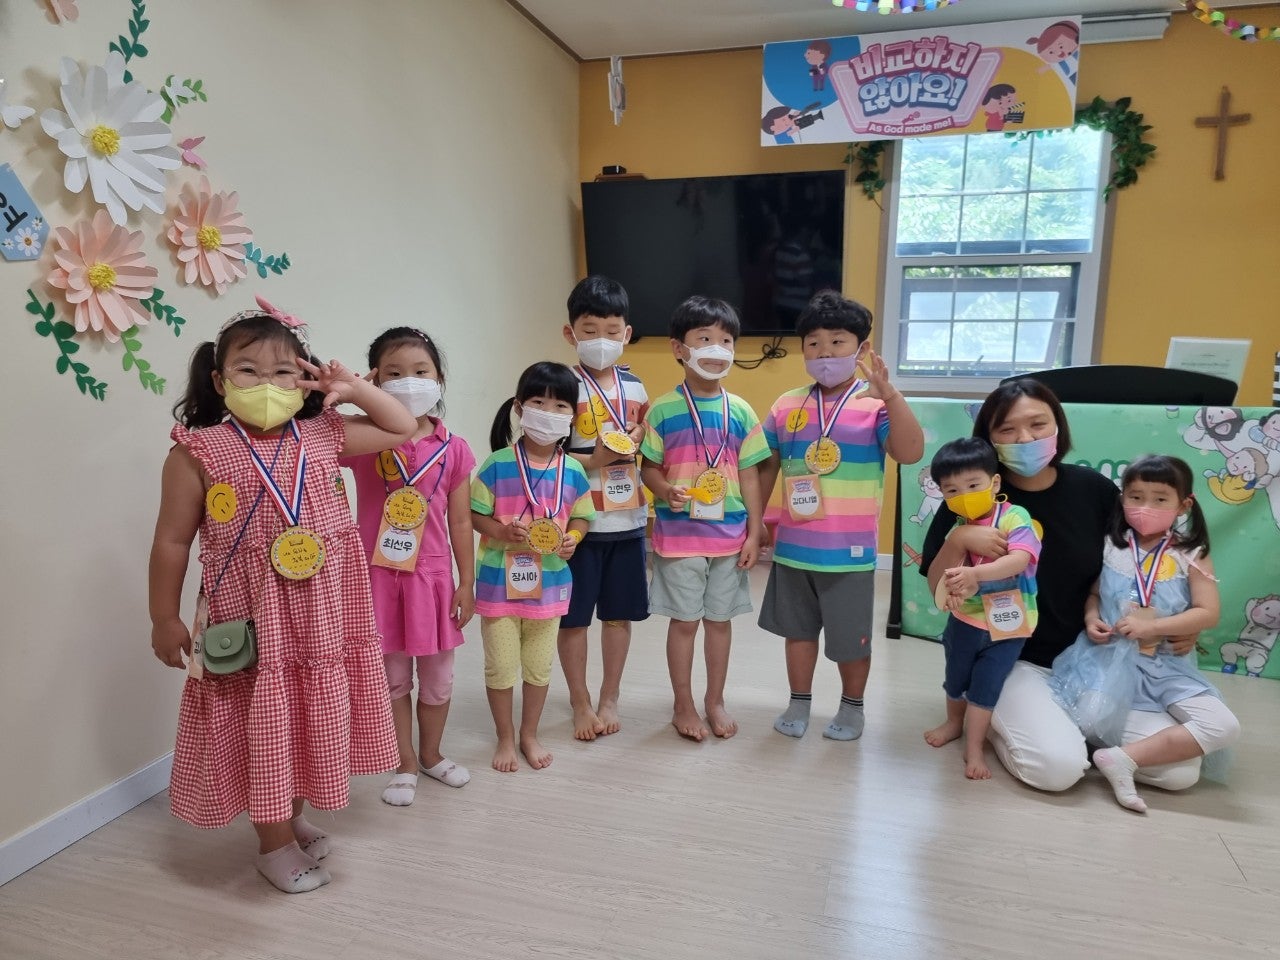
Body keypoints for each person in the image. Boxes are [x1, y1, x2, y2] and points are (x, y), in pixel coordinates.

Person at [148, 297, 417, 894]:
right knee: (265, 718)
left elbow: (401, 426)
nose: (266, 383)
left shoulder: (323, 434)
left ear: (306, 378)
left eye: (283, 371)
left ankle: (290, 819)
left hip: (322, 616)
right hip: (253, 618)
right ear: (219, 381)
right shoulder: (197, 451)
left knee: (300, 716)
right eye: (247, 370)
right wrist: (164, 616)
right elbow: (171, 542)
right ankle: (272, 845)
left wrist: (353, 387)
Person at [921, 378, 1119, 792]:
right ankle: (993, 719)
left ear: (1058, 426)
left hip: (1086, 653)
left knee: (1176, 772)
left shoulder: (1095, 490)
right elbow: (938, 589)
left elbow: (1128, 565)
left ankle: (1039, 723)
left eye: (1037, 424)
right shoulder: (967, 500)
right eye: (1007, 429)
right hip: (1011, 654)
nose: (1025, 439)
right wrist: (959, 539)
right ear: (989, 440)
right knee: (1058, 770)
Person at [757, 291, 923, 743]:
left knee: (851, 640)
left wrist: (892, 396)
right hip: (793, 547)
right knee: (797, 632)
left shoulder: (875, 404)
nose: (825, 353)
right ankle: (799, 702)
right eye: (813, 343)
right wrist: (757, 525)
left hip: (849, 553)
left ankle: (852, 707)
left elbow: (910, 452)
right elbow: (765, 464)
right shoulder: (786, 404)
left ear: (861, 348)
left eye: (837, 342)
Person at [1049, 455, 1241, 812]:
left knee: (1223, 725)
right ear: (1122, 498)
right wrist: (1091, 618)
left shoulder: (1191, 553)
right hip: (1106, 663)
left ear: (1184, 505)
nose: (1145, 507)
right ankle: (1123, 752)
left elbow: (1208, 612)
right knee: (1092, 719)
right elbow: (1094, 595)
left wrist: (1153, 627)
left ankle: (1120, 758)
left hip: (1168, 666)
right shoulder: (1112, 546)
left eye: (1160, 499)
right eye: (1135, 497)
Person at [341, 327, 476, 807]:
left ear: (439, 380)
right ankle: (404, 763)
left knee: (438, 680)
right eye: (393, 375)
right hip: (377, 579)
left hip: (434, 581)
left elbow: (461, 521)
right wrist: (356, 394)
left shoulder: (454, 448)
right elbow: (315, 432)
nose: (409, 382)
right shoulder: (365, 441)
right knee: (393, 679)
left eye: (420, 372)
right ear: (376, 380)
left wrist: (467, 582)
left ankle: (432, 755)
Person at [640, 296, 770, 741]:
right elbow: (648, 468)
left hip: (729, 538)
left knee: (719, 622)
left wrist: (754, 531)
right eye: (704, 338)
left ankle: (715, 700)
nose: (717, 349)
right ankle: (683, 704)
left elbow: (750, 475)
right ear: (679, 349)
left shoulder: (742, 411)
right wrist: (664, 490)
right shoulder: (662, 410)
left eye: (726, 340)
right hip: (680, 538)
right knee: (684, 622)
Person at [472, 362, 594, 772]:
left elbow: (583, 517)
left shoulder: (573, 470)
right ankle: (505, 737)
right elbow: (474, 514)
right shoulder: (497, 464)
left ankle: (529, 734)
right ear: (520, 408)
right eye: (539, 402)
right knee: (501, 667)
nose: (548, 412)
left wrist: (573, 538)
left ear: (572, 416)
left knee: (539, 668)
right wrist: (501, 531)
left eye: (560, 405)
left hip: (551, 586)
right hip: (498, 586)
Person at [558, 276, 650, 740]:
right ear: (570, 333)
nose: (601, 340)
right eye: (589, 330)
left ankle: (609, 696)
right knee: (573, 619)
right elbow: (545, 453)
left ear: (626, 334)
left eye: (612, 331)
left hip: (628, 519)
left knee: (618, 615)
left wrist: (639, 435)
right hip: (578, 524)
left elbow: (644, 437)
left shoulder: (635, 386)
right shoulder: (561, 385)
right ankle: (579, 702)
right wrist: (592, 461)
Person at [922, 438, 1040, 780]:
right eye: (952, 491)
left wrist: (976, 575)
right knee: (955, 678)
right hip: (964, 622)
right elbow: (945, 579)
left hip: (1009, 627)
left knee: (986, 687)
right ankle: (953, 723)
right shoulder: (958, 528)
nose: (964, 495)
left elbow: (1019, 560)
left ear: (995, 482)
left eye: (973, 485)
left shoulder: (1015, 517)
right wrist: (954, 590)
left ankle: (974, 746)